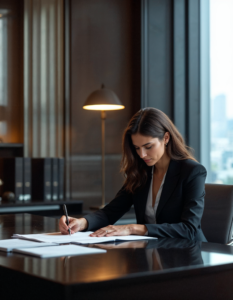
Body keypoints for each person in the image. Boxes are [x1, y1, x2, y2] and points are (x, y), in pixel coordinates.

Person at [59, 107, 207, 241]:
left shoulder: (192, 172)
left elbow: (189, 229)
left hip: (189, 254)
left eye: (148, 146)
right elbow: (111, 212)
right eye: (137, 148)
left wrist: (132, 228)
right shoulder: (141, 171)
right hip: (154, 252)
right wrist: (81, 223)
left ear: (166, 138)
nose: (142, 154)